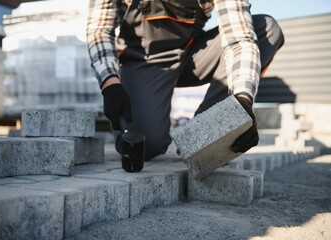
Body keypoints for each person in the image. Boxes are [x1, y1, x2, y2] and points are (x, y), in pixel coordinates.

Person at [87, 0, 284, 161]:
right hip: (143, 62)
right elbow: (100, 31)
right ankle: (128, 125)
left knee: (267, 30)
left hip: (192, 56)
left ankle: (201, 138)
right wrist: (110, 83)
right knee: (147, 144)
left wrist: (242, 101)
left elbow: (239, 39)